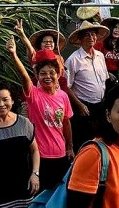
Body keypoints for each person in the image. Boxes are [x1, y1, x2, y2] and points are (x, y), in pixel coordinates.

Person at [6, 37, 74, 190]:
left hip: (61, 153)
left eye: (52, 73)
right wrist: (14, 55)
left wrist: (69, 147)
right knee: (41, 195)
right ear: (37, 76)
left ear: (58, 75)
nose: (48, 77)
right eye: (43, 73)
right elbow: (24, 76)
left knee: (60, 195)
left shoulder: (63, 96)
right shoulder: (34, 95)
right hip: (40, 156)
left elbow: (66, 122)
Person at [65, 20, 110, 151]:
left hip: (100, 104)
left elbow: (104, 79)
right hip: (83, 105)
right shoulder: (73, 60)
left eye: (93, 34)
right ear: (80, 39)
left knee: (99, 136)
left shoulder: (100, 56)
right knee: (83, 138)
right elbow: (66, 86)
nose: (91, 38)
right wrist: (79, 105)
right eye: (87, 35)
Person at [14, 19, 67, 92]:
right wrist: (22, 34)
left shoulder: (60, 58)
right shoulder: (36, 55)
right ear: (40, 44)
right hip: (40, 88)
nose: (48, 43)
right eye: (45, 42)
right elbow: (30, 47)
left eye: (51, 41)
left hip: (59, 88)